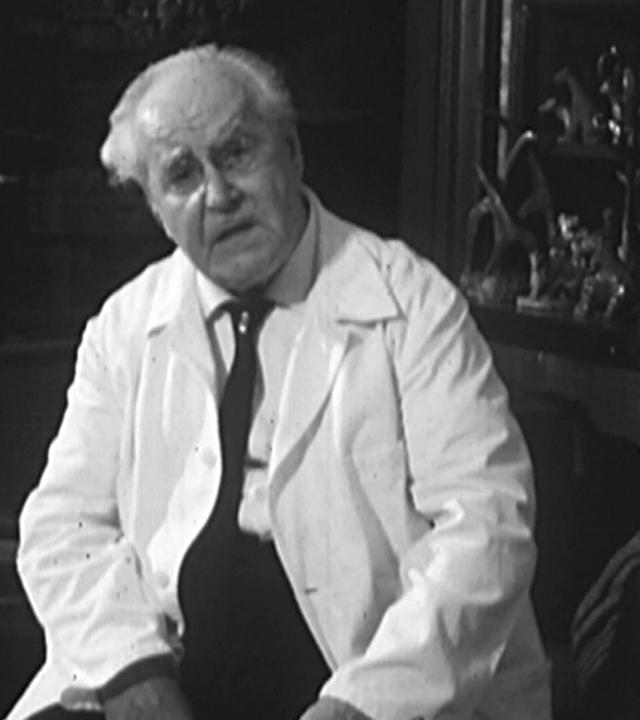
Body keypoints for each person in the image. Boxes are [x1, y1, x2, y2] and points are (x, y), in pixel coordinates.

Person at [9, 44, 551, 720]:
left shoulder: (414, 304)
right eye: (181, 174)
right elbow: (61, 527)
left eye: (236, 153)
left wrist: (361, 706)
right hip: (170, 664)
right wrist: (131, 675)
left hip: (366, 674)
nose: (219, 195)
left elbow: (487, 525)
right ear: (154, 207)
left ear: (292, 152)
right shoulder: (125, 325)